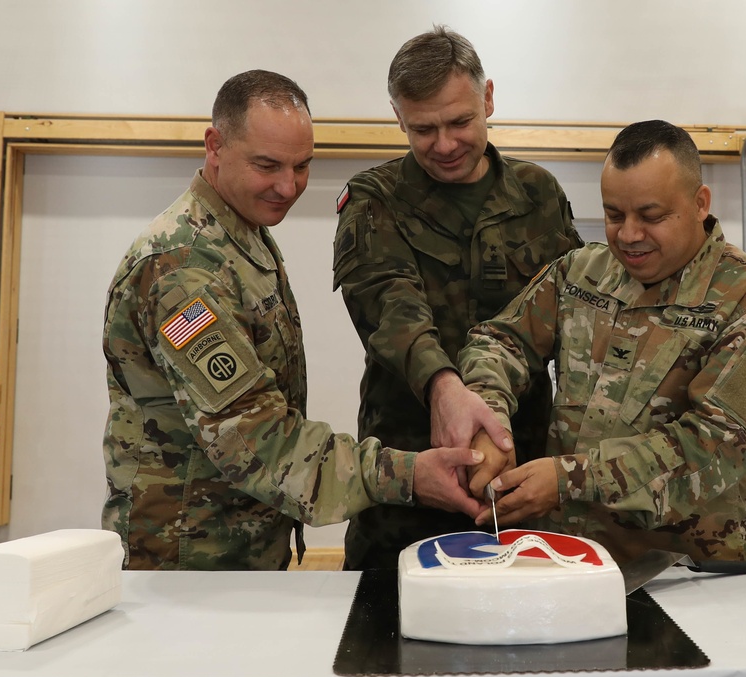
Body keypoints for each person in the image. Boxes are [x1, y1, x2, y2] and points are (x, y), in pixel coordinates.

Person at [102, 70, 483, 571]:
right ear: (214, 145)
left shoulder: (241, 233)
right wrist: (405, 474)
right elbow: (259, 441)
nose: (288, 186)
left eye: (302, 166)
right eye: (267, 165)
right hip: (184, 562)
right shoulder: (183, 267)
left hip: (238, 549)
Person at [458, 120, 746, 564]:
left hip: (683, 572)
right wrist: (491, 421)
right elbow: (499, 340)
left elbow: (716, 450)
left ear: (700, 204)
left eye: (651, 216)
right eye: (613, 215)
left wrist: (568, 480)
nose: (628, 235)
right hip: (569, 558)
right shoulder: (582, 273)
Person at [333, 27, 583, 570]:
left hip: (519, 482)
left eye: (460, 122)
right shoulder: (375, 200)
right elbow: (390, 308)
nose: (444, 144)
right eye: (423, 129)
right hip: (410, 483)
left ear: (488, 98)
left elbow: (577, 315)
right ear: (398, 117)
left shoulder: (539, 194)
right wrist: (444, 389)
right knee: (381, 644)